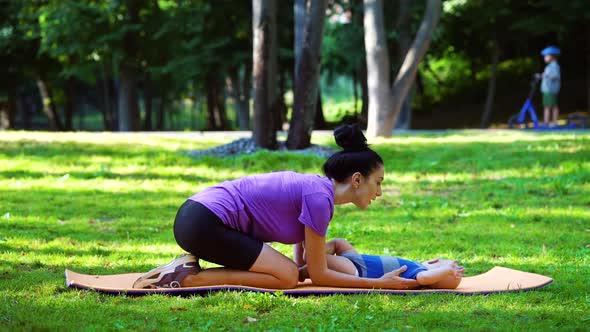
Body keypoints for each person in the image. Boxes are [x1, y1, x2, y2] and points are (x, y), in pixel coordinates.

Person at [133, 124, 419, 290]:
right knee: (285, 277)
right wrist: (380, 283)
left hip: (196, 217)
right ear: (357, 180)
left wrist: (324, 255)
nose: (379, 192)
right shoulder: (319, 199)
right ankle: (186, 278)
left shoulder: (318, 192)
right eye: (377, 182)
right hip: (204, 223)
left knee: (288, 272)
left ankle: (184, 271)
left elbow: (306, 259)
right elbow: (316, 274)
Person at [298, 238, 465, 289]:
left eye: (441, 267)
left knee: (321, 261)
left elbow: (425, 278)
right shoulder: (417, 264)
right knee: (340, 243)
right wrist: (445, 270)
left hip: (357, 270)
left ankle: (303, 270)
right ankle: (310, 256)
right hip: (359, 260)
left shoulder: (417, 274)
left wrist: (447, 269)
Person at [538, 46, 561, 127]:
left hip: (550, 89)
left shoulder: (554, 66)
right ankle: (547, 122)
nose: (544, 58)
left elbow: (555, 76)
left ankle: (552, 123)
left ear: (552, 56)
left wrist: (546, 75)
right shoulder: (550, 66)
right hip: (547, 89)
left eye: (546, 56)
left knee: (551, 106)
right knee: (548, 106)